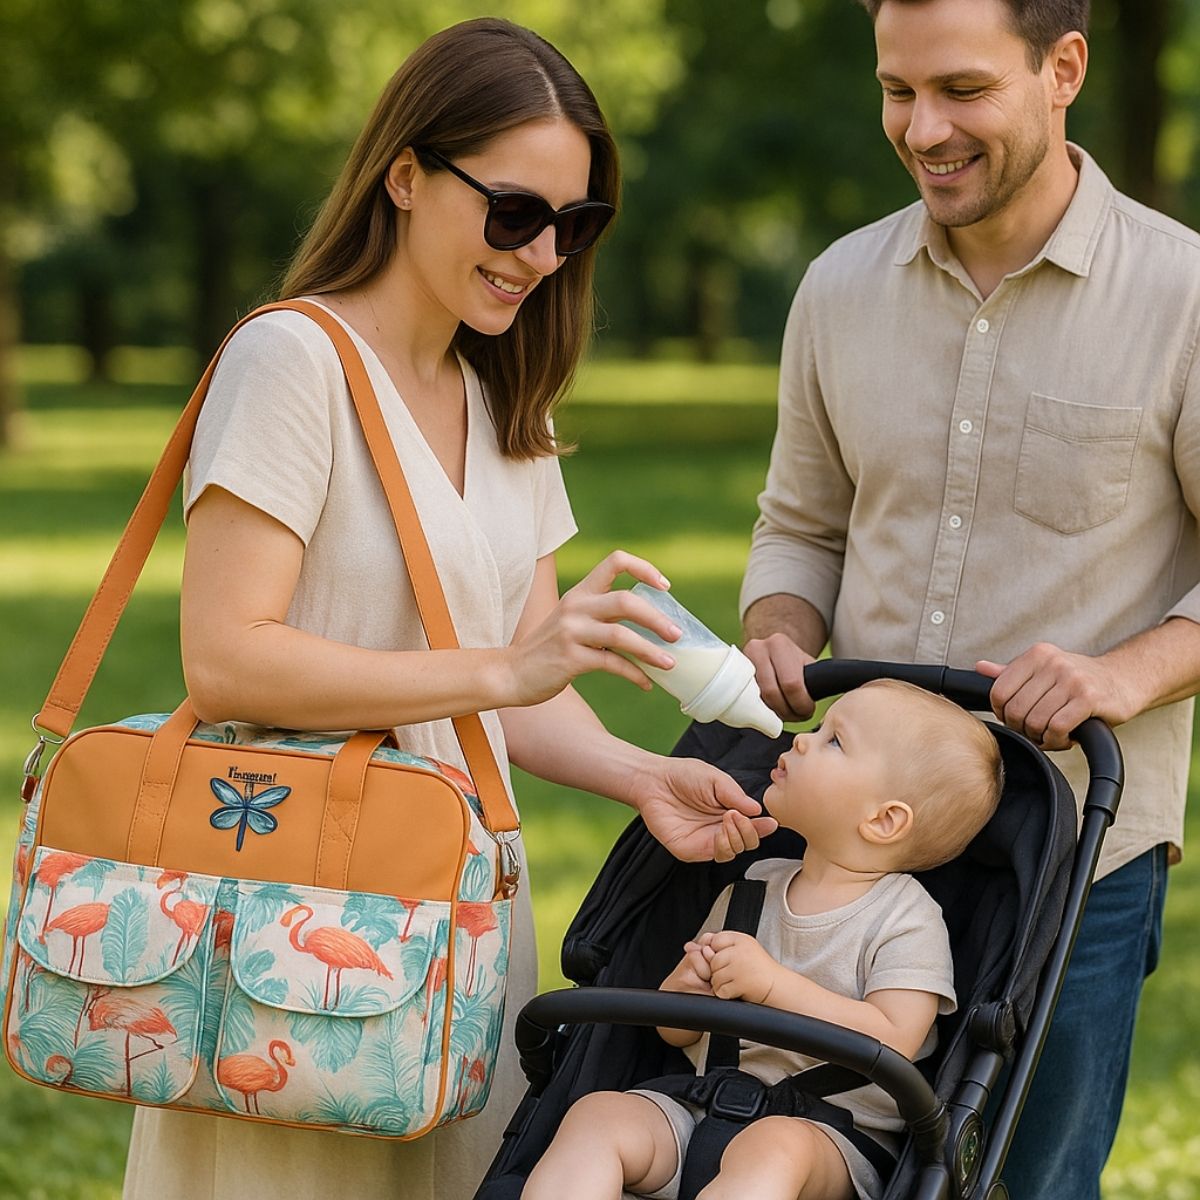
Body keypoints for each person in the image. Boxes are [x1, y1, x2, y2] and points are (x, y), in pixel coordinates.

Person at [121, 18, 776, 1200]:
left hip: (464, 908)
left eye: (574, 228)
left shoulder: (503, 399)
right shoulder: (292, 362)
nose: (540, 255)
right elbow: (228, 659)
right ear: (408, 175)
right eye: (514, 212)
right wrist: (503, 672)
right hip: (298, 907)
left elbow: (519, 701)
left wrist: (641, 776)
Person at [738, 1, 1200, 1196]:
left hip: (1075, 862)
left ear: (1064, 69)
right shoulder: (839, 288)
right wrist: (778, 628)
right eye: (897, 91)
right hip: (849, 856)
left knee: (1029, 1185)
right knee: (801, 1158)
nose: (922, 127)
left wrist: (1121, 675)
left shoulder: (1184, 296)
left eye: (961, 89)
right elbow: (799, 530)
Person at [522, 680, 1004, 1200]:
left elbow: (895, 1039)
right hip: (700, 1104)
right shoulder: (752, 887)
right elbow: (676, 1033)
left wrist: (773, 986)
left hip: (829, 1135)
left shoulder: (907, 919)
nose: (801, 741)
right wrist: (685, 993)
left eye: (833, 741)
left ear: (884, 820)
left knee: (776, 1146)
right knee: (598, 1115)